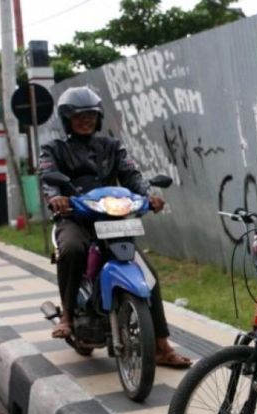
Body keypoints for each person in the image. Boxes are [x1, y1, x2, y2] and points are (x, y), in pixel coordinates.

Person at [38, 86, 191, 368]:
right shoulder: (54, 149)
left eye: (91, 115)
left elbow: (131, 175)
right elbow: (49, 176)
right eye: (78, 116)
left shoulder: (112, 146)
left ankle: (161, 346)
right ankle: (68, 316)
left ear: (99, 117)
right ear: (66, 119)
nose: (85, 120)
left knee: (148, 274)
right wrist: (56, 198)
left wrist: (148, 196)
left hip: (111, 220)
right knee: (71, 249)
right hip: (75, 218)